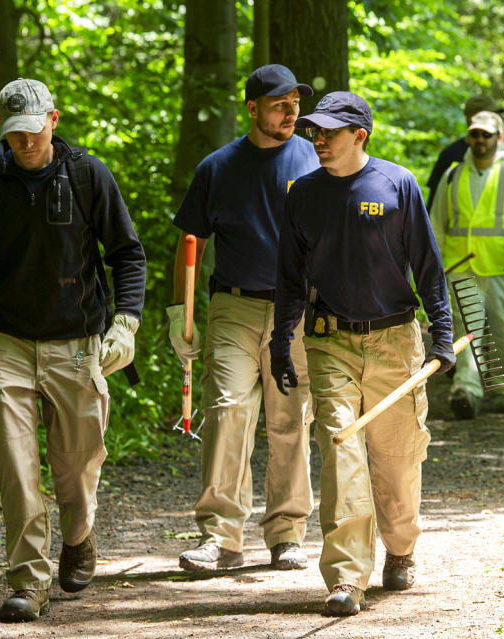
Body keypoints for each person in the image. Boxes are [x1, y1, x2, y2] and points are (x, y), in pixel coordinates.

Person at [0, 78, 147, 622]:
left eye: (32, 131)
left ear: (53, 120)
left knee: (78, 464)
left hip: (76, 342)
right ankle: (28, 581)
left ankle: (78, 534)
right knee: (16, 464)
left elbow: (128, 254)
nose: (24, 143)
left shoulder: (86, 174)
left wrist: (124, 324)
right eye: (14, 135)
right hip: (5, 340)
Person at [270, 91, 455, 616]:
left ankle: (400, 549)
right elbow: (289, 277)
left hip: (395, 341)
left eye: (328, 131)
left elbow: (428, 267)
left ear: (360, 136)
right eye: (314, 132)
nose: (317, 139)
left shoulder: (397, 184)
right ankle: (348, 577)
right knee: (340, 447)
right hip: (329, 342)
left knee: (396, 461)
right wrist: (281, 341)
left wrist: (441, 336)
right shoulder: (302, 193)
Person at [168, 64, 319, 573]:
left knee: (290, 417)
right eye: (279, 104)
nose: (291, 111)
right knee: (228, 409)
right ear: (252, 108)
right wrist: (179, 315)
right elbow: (191, 243)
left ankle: (287, 533)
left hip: (295, 310)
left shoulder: (316, 161)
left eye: (295, 103)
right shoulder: (218, 167)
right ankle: (220, 537)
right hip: (232, 307)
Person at [429, 111, 504, 419]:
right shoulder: (452, 175)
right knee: (468, 328)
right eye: (475, 134)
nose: (480, 140)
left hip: (503, 267)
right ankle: (466, 389)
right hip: (460, 267)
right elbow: (437, 223)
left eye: (486, 135)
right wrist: (434, 263)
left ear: (499, 138)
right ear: (469, 138)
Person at [427, 94, 504, 208]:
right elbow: (434, 203)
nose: (493, 118)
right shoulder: (449, 155)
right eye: (487, 114)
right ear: (469, 117)